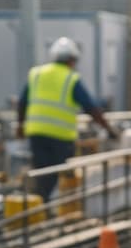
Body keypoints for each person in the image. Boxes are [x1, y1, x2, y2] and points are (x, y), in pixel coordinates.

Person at [16, 37, 118, 202]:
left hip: (36, 133)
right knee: (56, 174)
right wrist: (109, 130)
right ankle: (46, 205)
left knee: (41, 172)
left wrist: (20, 126)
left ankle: (40, 204)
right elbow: (91, 108)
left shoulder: (36, 74)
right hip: (60, 137)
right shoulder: (71, 78)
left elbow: (22, 102)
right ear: (72, 60)